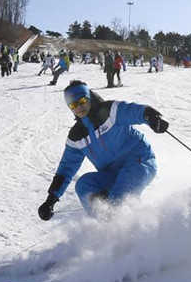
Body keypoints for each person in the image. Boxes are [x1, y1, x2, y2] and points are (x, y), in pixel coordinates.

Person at [37, 80, 168, 219]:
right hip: (112, 174)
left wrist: (153, 117)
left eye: (81, 101)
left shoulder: (110, 112)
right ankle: (107, 226)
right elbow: (66, 169)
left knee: (117, 201)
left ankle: (128, 225)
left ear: (89, 97)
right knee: (83, 186)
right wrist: (51, 200)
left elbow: (133, 111)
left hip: (139, 163)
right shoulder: (77, 136)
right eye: (73, 105)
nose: (79, 108)